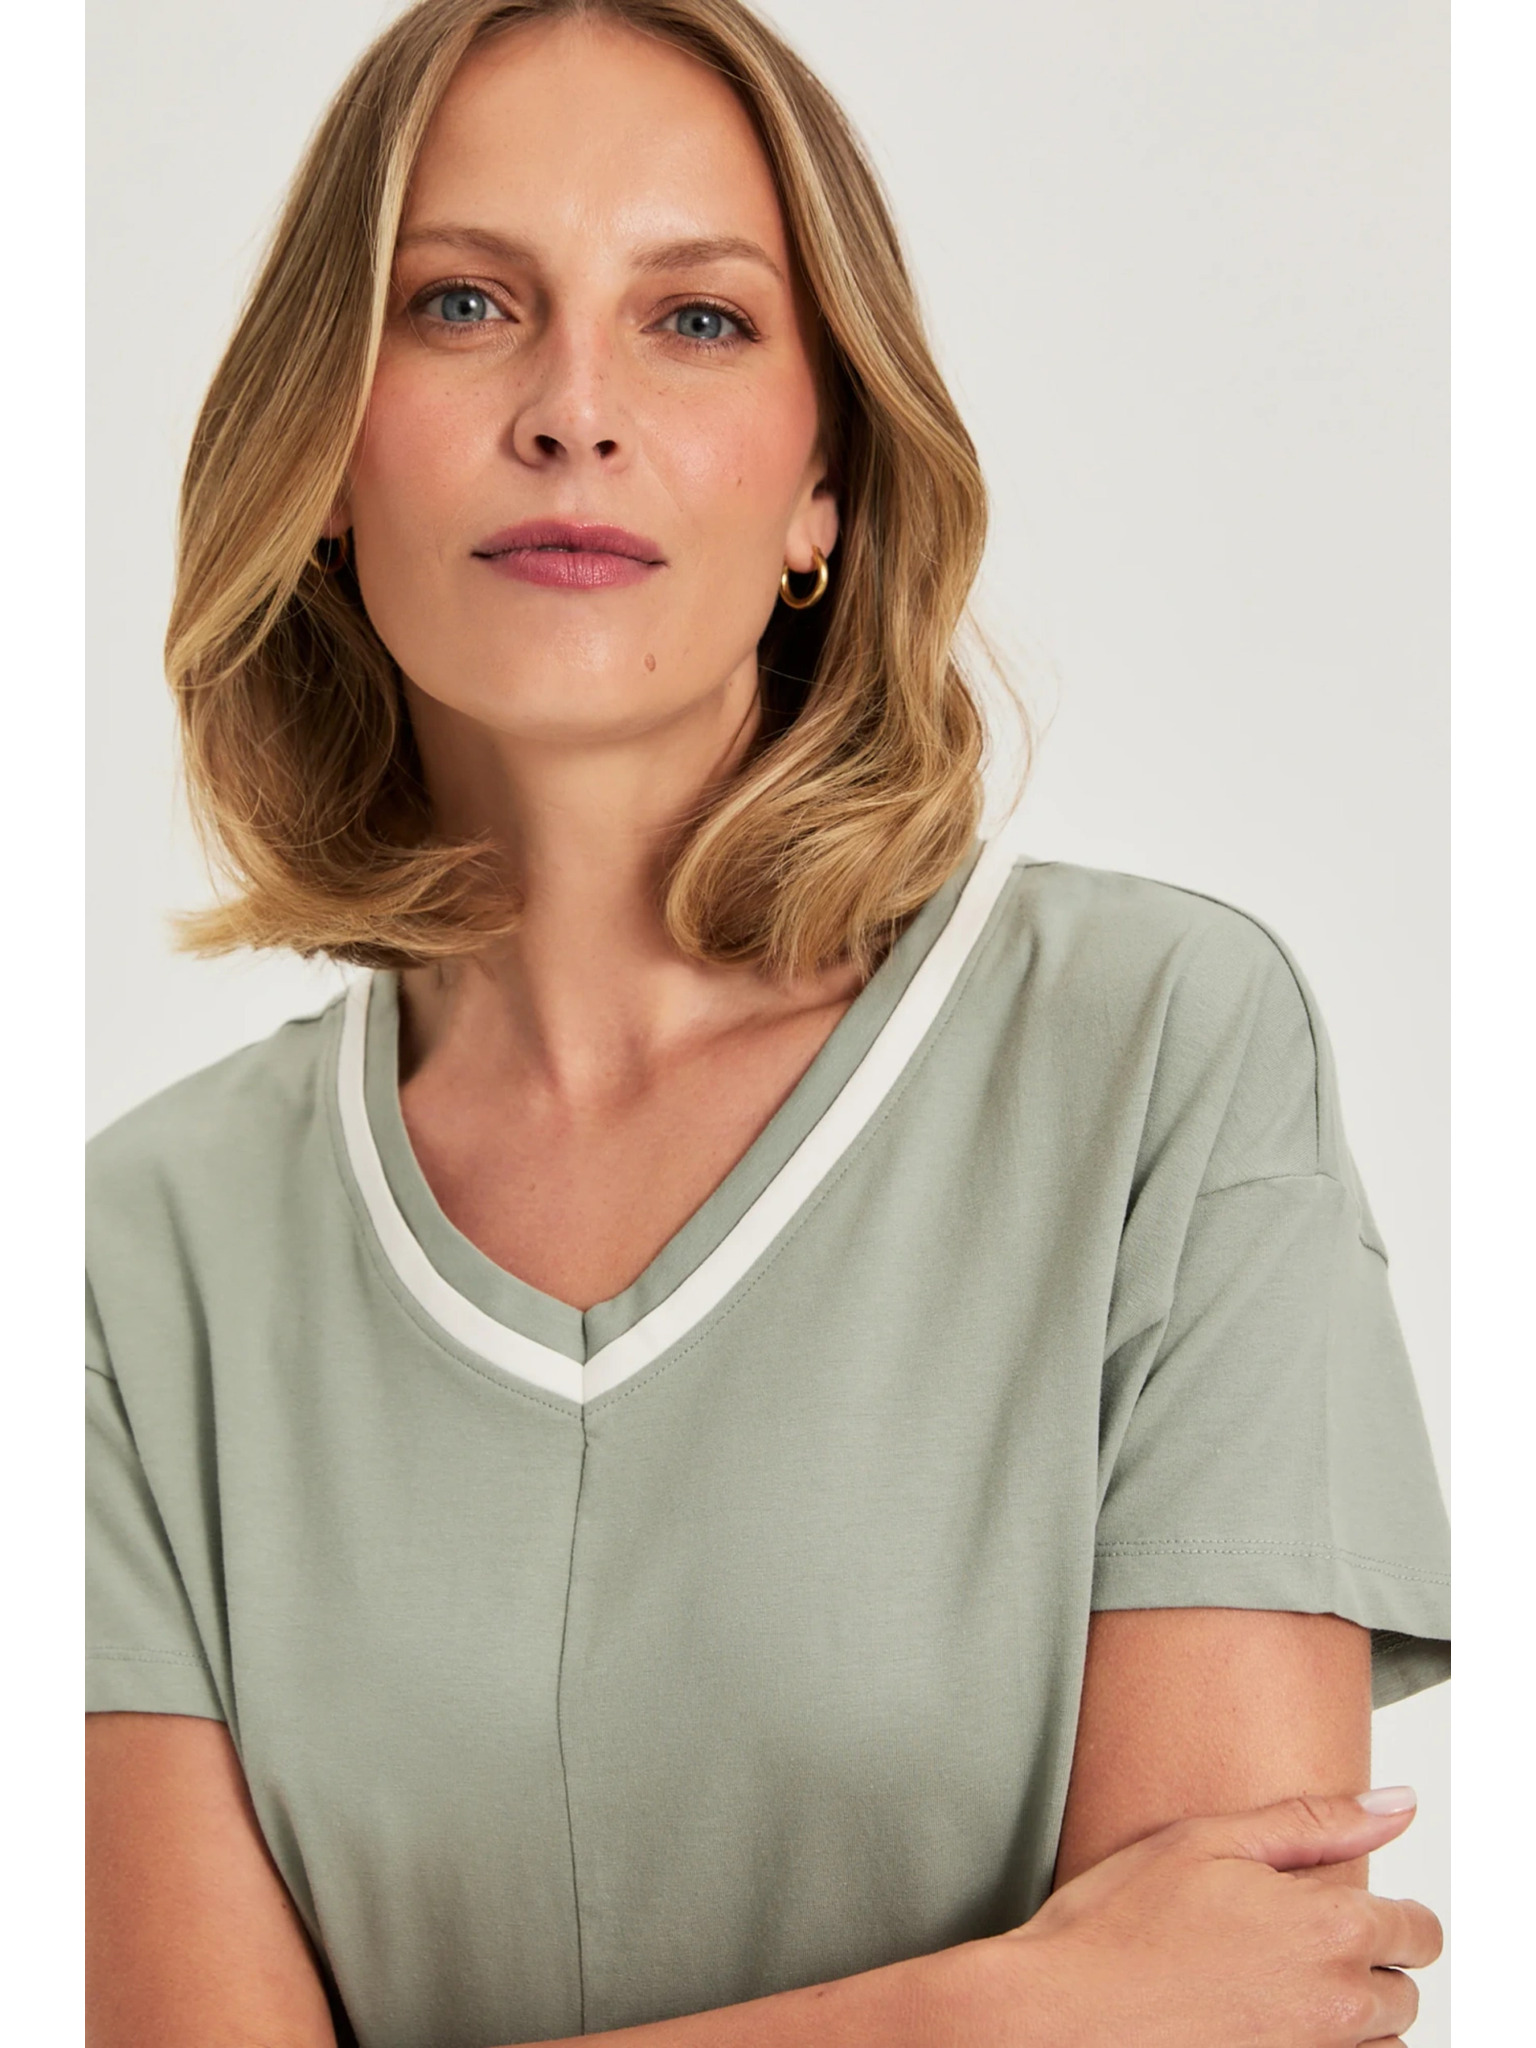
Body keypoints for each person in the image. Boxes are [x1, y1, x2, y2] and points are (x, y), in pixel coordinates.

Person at [84, 2, 1451, 2044]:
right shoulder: (126, 1270)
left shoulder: (1161, 1063)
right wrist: (996, 2016)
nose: (574, 409)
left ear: (826, 485)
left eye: (698, 320)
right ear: (328, 453)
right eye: (464, 303)